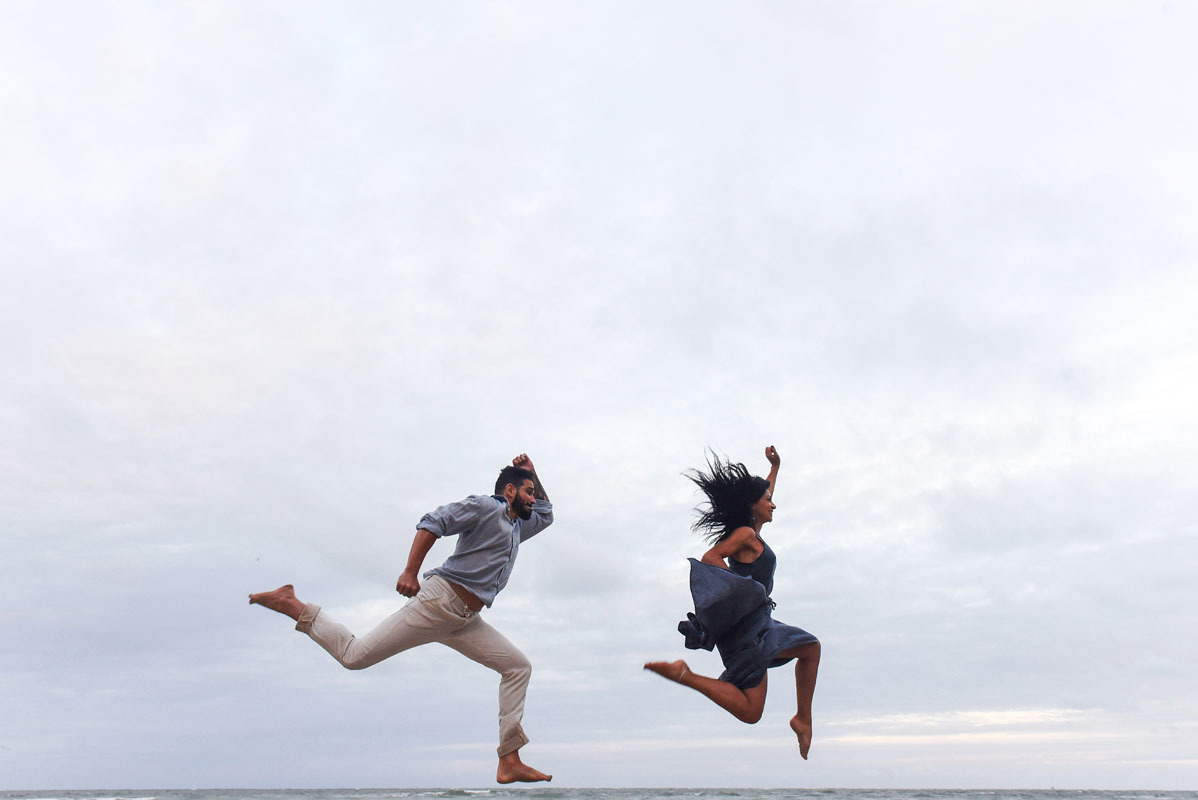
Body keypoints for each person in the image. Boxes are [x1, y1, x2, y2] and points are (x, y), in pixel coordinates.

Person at [249, 453, 554, 783]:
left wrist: (533, 474)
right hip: (437, 604)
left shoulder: (516, 528)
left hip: (464, 620)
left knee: (517, 667)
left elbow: (547, 515)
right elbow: (433, 522)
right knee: (354, 657)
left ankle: (509, 759)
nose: (533, 498)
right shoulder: (485, 507)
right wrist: (410, 571)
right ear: (509, 491)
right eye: (528, 491)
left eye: (533, 492)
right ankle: (293, 604)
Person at [644, 446, 821, 759]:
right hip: (748, 630)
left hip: (758, 625)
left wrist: (775, 469)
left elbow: (763, 496)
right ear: (754, 506)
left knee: (760, 703)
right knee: (801, 658)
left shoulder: (753, 532)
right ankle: (688, 676)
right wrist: (744, 593)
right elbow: (710, 557)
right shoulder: (744, 534)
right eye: (768, 501)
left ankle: (802, 719)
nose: (774, 504)